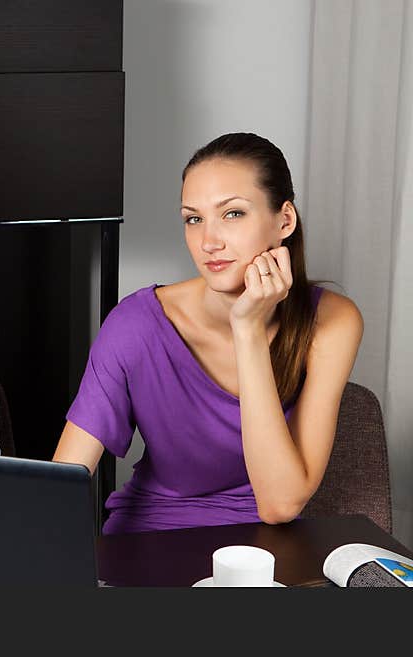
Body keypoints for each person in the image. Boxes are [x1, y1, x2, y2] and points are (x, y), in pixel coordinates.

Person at [53, 132, 364, 534]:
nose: (209, 241)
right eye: (193, 219)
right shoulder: (137, 325)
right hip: (152, 536)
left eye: (233, 213)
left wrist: (248, 329)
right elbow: (63, 481)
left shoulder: (332, 321)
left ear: (284, 220)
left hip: (267, 549)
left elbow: (279, 504)